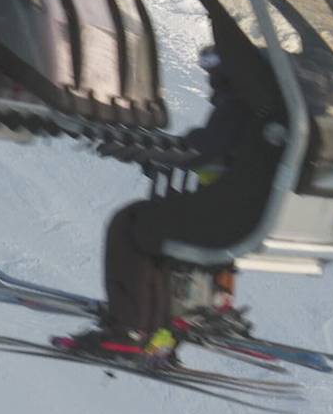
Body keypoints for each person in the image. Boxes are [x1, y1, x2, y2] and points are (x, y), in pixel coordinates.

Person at [54, 46, 254, 366]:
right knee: (160, 229)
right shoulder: (266, 109)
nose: (210, 76)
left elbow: (203, 149)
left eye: (213, 67)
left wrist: (146, 151)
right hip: (243, 215)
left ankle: (130, 331)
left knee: (131, 225)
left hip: (225, 215)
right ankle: (167, 329)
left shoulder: (239, 108)